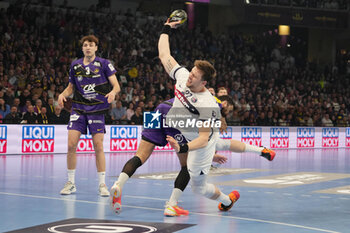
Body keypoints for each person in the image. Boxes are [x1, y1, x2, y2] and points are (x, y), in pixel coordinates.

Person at [109, 95, 275, 216]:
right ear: (224, 103)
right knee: (186, 166)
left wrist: (212, 152)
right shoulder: (213, 109)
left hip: (160, 108)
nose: (227, 115)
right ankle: (171, 205)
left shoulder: (202, 96)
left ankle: (118, 185)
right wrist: (213, 151)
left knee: (140, 156)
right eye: (229, 110)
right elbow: (207, 141)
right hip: (177, 116)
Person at [58, 35, 120, 197]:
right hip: (78, 109)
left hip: (97, 109)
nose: (88, 47)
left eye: (91, 45)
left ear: (96, 48)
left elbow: (116, 86)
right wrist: (62, 94)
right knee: (71, 145)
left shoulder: (105, 64)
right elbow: (71, 87)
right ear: (82, 48)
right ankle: (70, 183)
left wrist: (113, 92)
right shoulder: (75, 64)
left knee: (98, 146)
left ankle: (102, 184)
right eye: (85, 45)